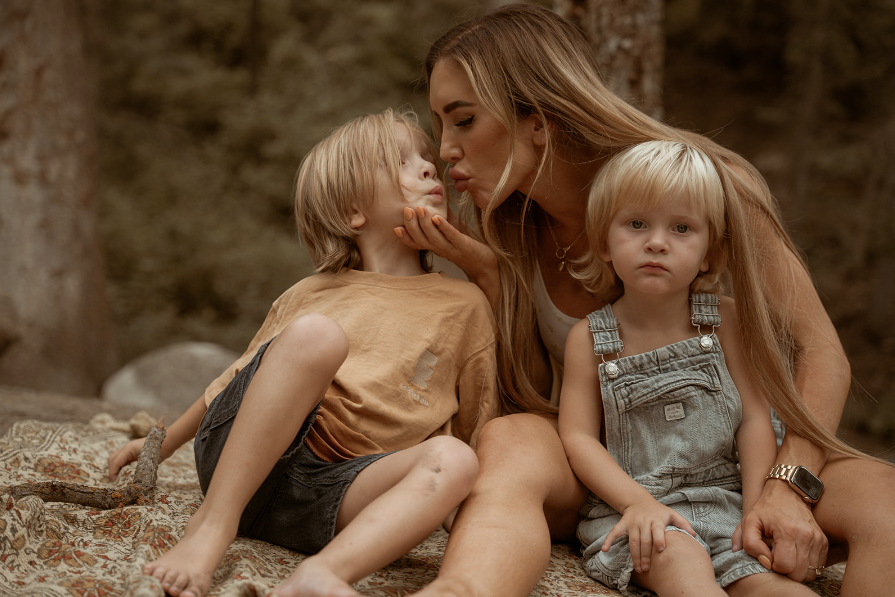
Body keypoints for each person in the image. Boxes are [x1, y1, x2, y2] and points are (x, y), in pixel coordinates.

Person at [395, 4, 895, 596]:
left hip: (735, 460)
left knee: (886, 503)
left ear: (538, 117)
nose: (444, 148)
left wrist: (783, 486)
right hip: (608, 469)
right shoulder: (503, 224)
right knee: (509, 440)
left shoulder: (705, 188)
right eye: (440, 124)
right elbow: (531, 397)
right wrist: (490, 278)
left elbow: (820, 353)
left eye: (464, 120)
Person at [107, 107, 499, 597]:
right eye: (401, 162)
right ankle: (211, 528)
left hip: (336, 493)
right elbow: (235, 378)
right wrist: (161, 444)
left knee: (455, 458)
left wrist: (452, 497)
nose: (427, 167)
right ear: (353, 212)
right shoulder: (314, 293)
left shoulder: (465, 304)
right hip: (243, 466)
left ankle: (323, 575)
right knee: (317, 336)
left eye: (426, 159)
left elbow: (478, 422)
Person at [559, 139, 821, 596]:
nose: (656, 242)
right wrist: (637, 503)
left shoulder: (725, 320)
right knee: (683, 565)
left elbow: (755, 418)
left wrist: (756, 510)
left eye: (681, 228)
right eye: (636, 224)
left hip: (727, 503)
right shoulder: (590, 339)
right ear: (604, 241)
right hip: (636, 512)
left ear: (708, 255)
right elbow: (578, 437)